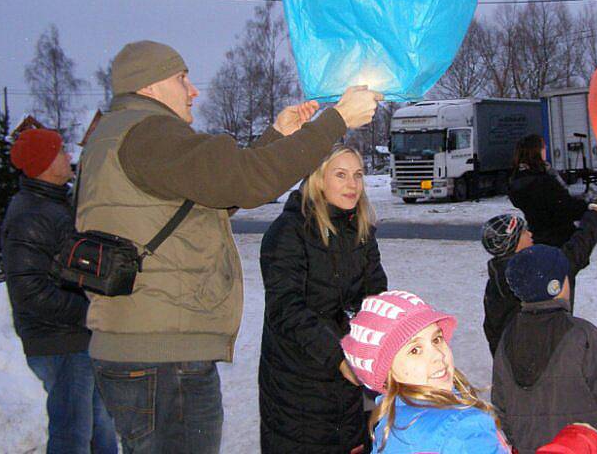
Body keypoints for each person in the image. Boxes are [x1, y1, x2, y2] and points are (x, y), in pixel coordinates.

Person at [76, 40, 382, 453]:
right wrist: (336, 120)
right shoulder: (147, 133)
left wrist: (277, 136)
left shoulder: (121, 136)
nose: (193, 90)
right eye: (181, 78)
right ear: (149, 86)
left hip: (147, 345)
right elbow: (246, 181)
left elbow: (217, 190)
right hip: (161, 353)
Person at [258, 144, 388, 452]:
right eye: (341, 175)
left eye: (358, 175)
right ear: (318, 179)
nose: (352, 185)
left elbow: (376, 294)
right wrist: (338, 355)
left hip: (350, 372)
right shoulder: (288, 231)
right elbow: (286, 309)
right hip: (298, 380)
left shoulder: (361, 228)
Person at [1, 128, 117, 454]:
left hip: (75, 339)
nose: (68, 156)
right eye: (60, 151)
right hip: (59, 344)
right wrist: (89, 312)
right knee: (72, 435)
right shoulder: (30, 215)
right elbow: (30, 291)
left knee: (100, 427)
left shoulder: (50, 204)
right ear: (44, 163)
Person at [491, 246, 597, 454]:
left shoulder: (509, 337)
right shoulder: (582, 335)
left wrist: (518, 442)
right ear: (555, 286)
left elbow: (501, 404)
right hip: (584, 448)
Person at [341, 289, 511, 453]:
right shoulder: (464, 430)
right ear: (386, 371)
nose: (438, 355)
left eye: (437, 339)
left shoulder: (391, 422)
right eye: (415, 350)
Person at [481, 189, 597, 355]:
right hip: (545, 361)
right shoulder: (529, 273)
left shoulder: (496, 277)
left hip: (516, 365)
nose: (530, 234)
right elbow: (574, 254)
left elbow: (492, 331)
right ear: (512, 242)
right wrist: (595, 212)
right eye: (523, 232)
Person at [508, 134, 590, 247]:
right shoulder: (543, 182)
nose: (545, 149)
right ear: (536, 151)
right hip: (558, 240)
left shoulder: (518, 180)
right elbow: (564, 208)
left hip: (537, 236)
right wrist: (592, 207)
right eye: (543, 147)